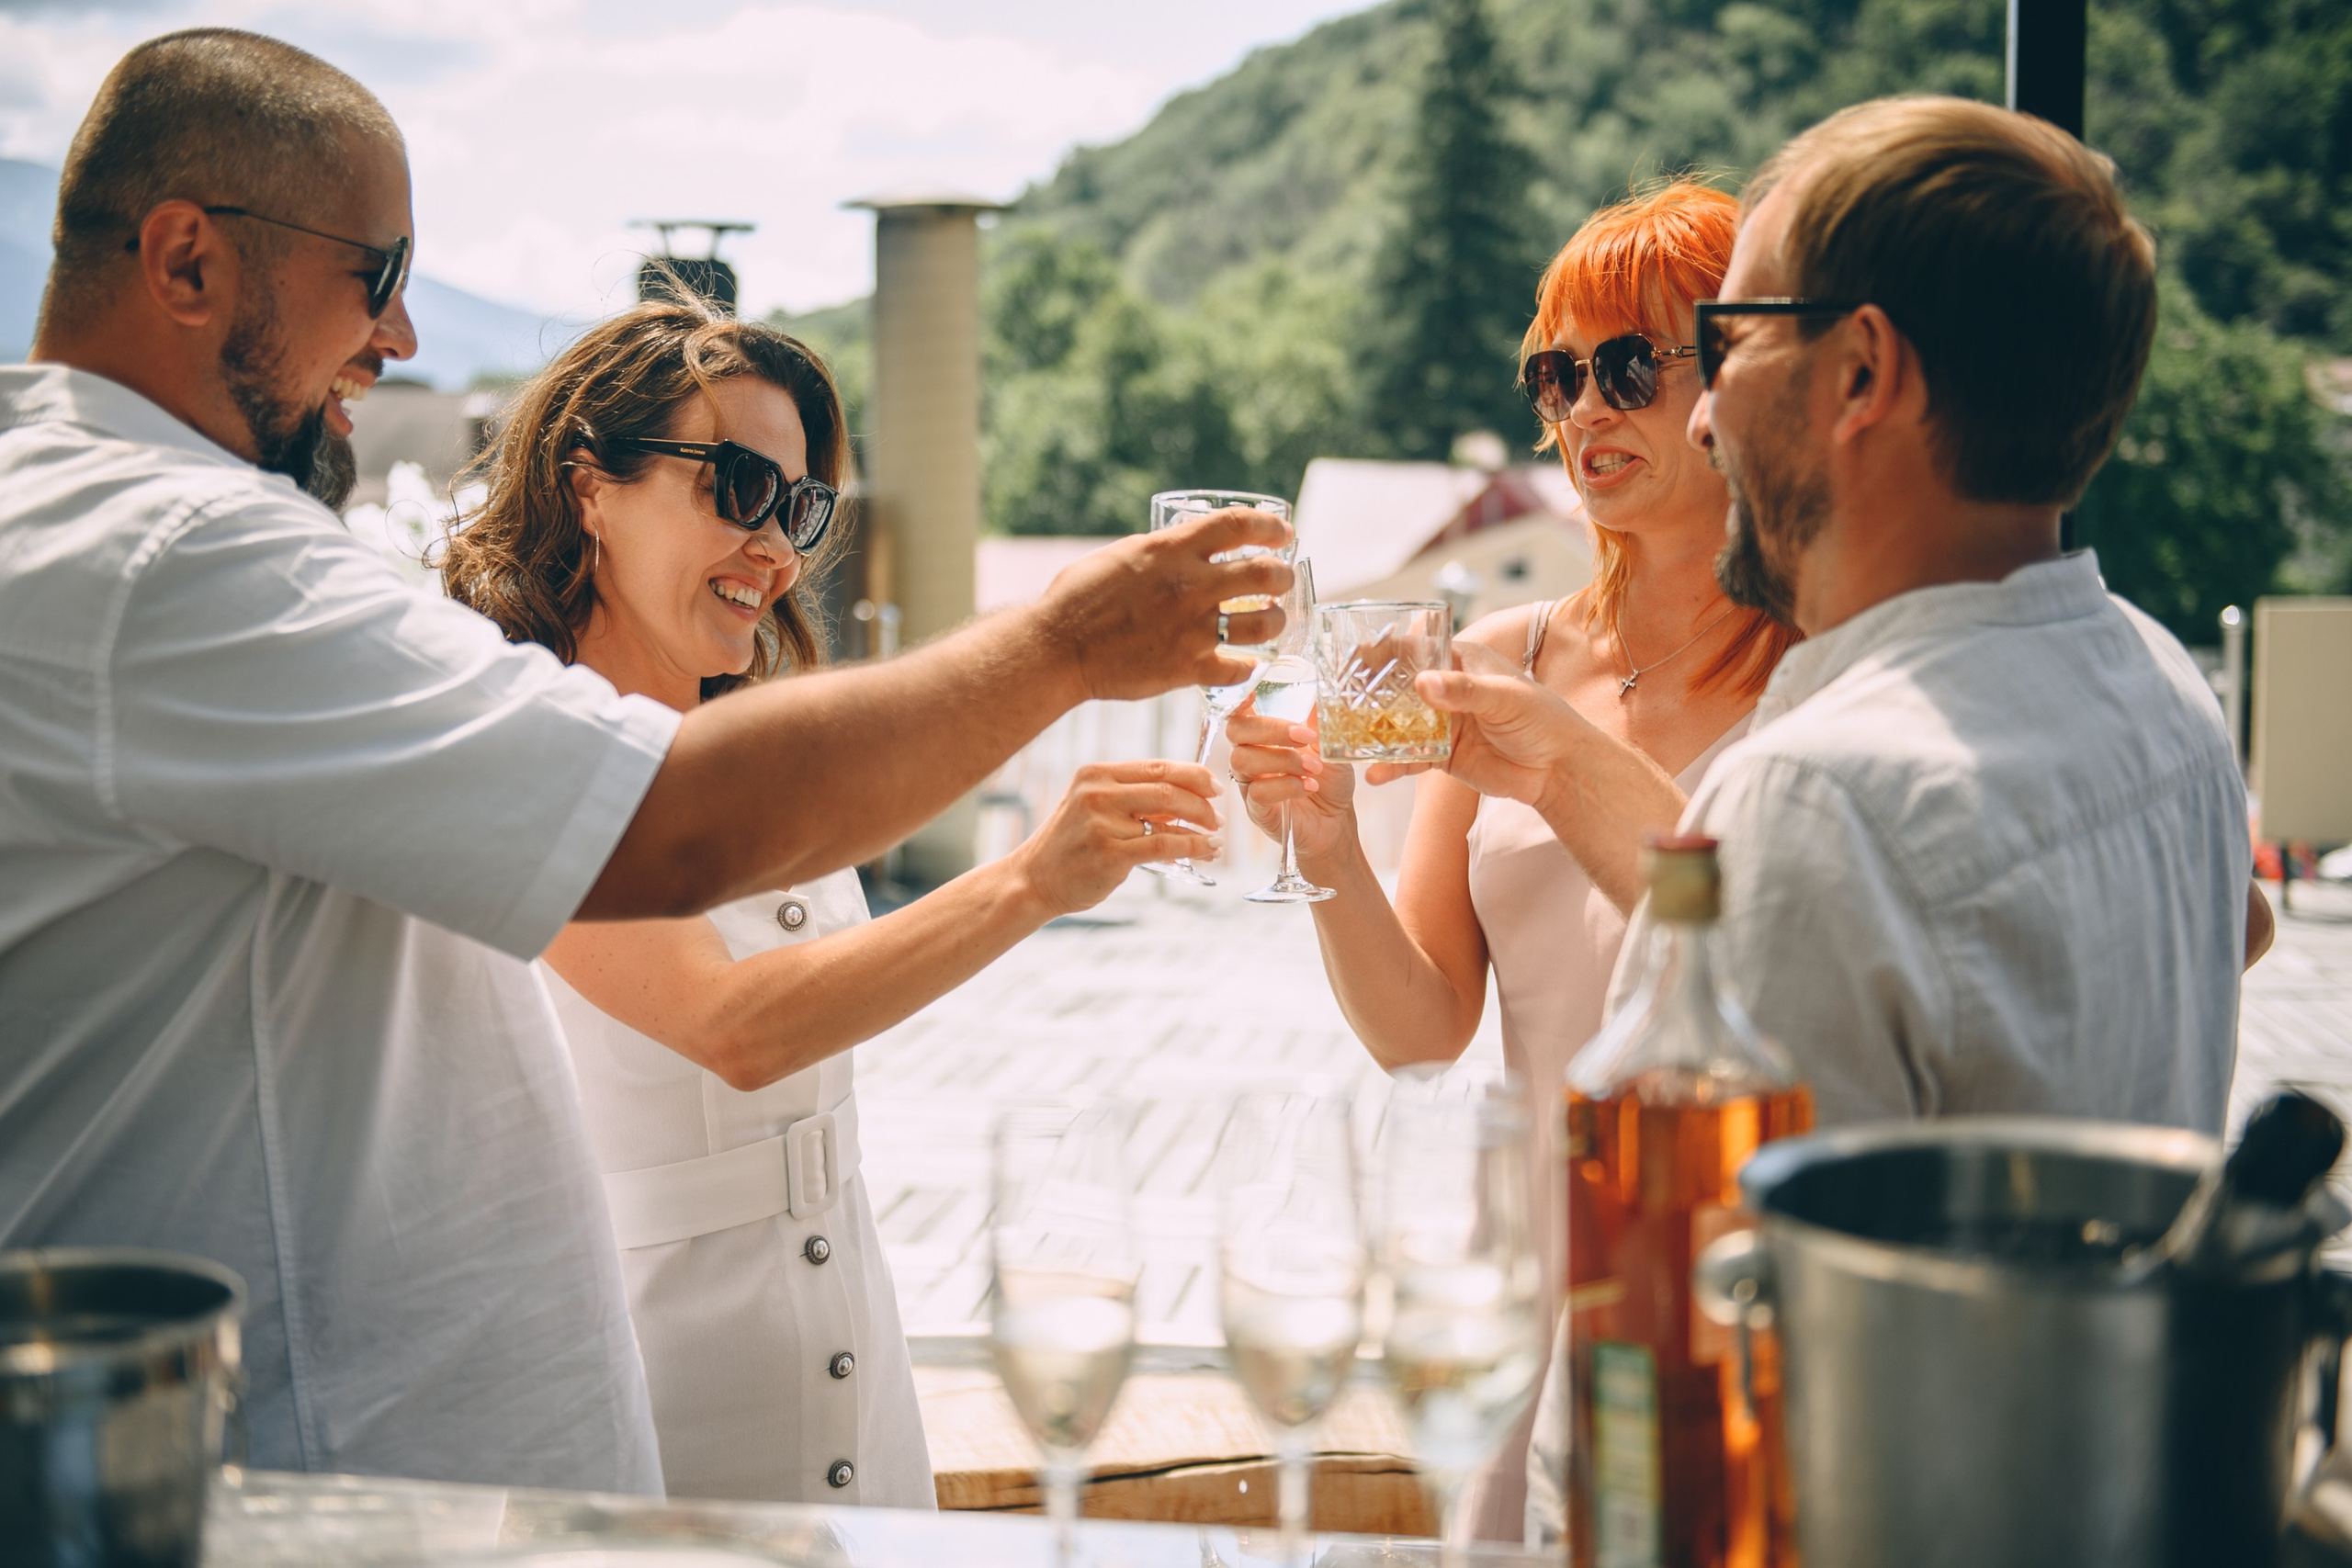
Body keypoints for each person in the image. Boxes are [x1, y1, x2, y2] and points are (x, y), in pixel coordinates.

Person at [0, 29, 1283, 1493]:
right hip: (335, 1498)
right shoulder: (171, 555)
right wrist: (1069, 644)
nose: (405, 336)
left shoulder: (103, 538)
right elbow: (670, 843)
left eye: (798, 504)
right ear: (183, 263)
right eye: (378, 271)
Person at [436, 298, 1218, 1506]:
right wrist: (1028, 880)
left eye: (798, 507)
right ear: (590, 485)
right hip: (648, 1369)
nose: (778, 549)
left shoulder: (757, 744)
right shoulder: (527, 745)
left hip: (850, 1327)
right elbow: (738, 1026)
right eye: (739, 486)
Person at [1412, 95, 2262, 1135]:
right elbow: (2232, 931)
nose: (1711, 413)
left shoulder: (1821, 798)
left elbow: (1753, 1275)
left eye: (1731, 340)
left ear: (1860, 373)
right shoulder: (2163, 685)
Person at [1226, 181, 1797, 1540]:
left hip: (1756, 1261)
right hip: (1538, 1276)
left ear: (1740, 380)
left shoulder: (1828, 660)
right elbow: (1425, 1027)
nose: (1584, 411)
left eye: (1628, 366)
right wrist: (1324, 848)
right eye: (1558, 374)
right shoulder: (1499, 660)